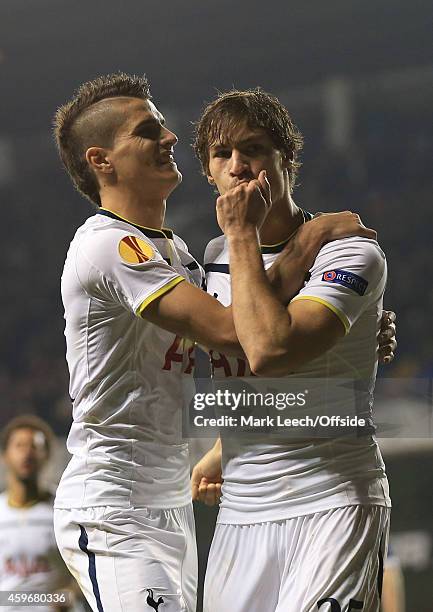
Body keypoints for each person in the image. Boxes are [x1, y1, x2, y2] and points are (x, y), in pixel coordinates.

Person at [52, 73, 392, 612]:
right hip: (115, 502)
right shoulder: (109, 246)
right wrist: (300, 245)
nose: (167, 138)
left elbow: (250, 334)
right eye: (148, 131)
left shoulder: (188, 258)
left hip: (189, 502)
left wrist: (355, 322)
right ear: (102, 160)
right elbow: (250, 338)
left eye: (254, 149)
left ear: (286, 159)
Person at [191, 88, 396, 612]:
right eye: (222, 155)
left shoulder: (350, 248)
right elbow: (241, 370)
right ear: (209, 174)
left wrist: (242, 234)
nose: (238, 166)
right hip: (241, 512)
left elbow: (270, 351)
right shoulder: (213, 257)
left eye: (253, 148)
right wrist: (224, 447)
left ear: (286, 159)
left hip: (331, 500)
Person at [0, 415, 75, 612]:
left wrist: (70, 594)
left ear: (47, 455)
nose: (27, 453)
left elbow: (92, 565)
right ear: (4, 455)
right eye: (19, 445)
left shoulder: (65, 507)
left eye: (35, 446)